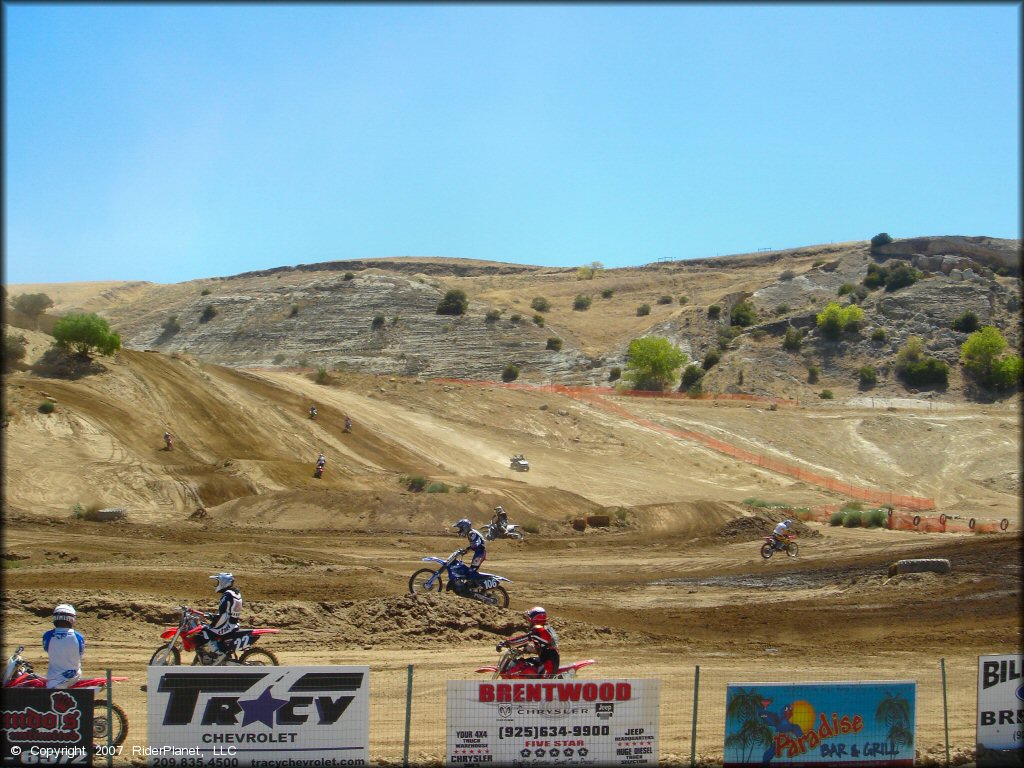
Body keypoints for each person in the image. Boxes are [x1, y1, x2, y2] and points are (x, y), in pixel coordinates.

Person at [499, 606, 560, 678]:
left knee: (539, 684)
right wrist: (527, 648)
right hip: (547, 658)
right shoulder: (545, 628)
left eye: (529, 620)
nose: (528, 622)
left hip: (549, 663)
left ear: (534, 620)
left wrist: (507, 643)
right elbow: (545, 646)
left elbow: (524, 639)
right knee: (524, 665)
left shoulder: (539, 632)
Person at [199, 572, 242, 663]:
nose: (216, 585)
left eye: (218, 582)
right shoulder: (235, 592)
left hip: (227, 624)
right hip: (234, 624)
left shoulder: (227, 595)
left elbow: (224, 614)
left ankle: (219, 655)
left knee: (205, 631)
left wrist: (213, 622)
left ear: (224, 582)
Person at [43, 604, 84, 688]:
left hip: (53, 679)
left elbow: (47, 649)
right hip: (74, 677)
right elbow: (80, 654)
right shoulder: (78, 637)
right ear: (72, 619)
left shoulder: (47, 636)